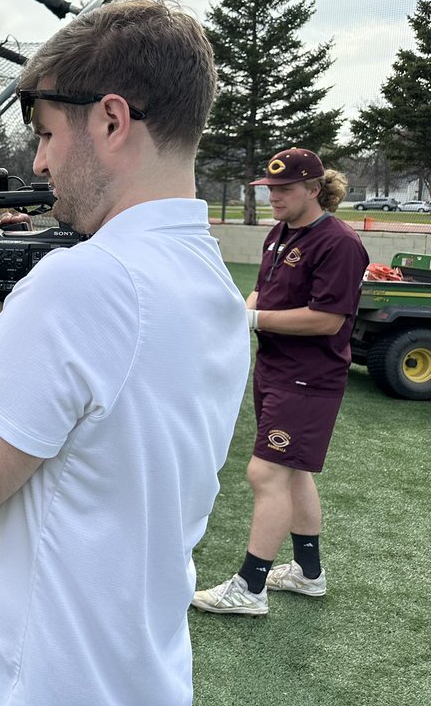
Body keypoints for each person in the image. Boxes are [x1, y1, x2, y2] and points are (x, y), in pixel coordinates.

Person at [0, 0, 250, 705]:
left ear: (112, 121)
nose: (40, 160)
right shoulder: (214, 287)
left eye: (49, 133)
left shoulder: (83, 284)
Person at [192, 147, 369, 616]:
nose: (274, 196)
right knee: (294, 472)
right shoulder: (281, 232)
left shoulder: (339, 242)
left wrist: (253, 320)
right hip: (276, 369)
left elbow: (328, 319)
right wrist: (240, 314)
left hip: (308, 378)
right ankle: (309, 574)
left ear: (314, 189)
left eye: (285, 189)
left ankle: (251, 588)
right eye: (270, 189)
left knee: (265, 472)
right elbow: (261, 294)